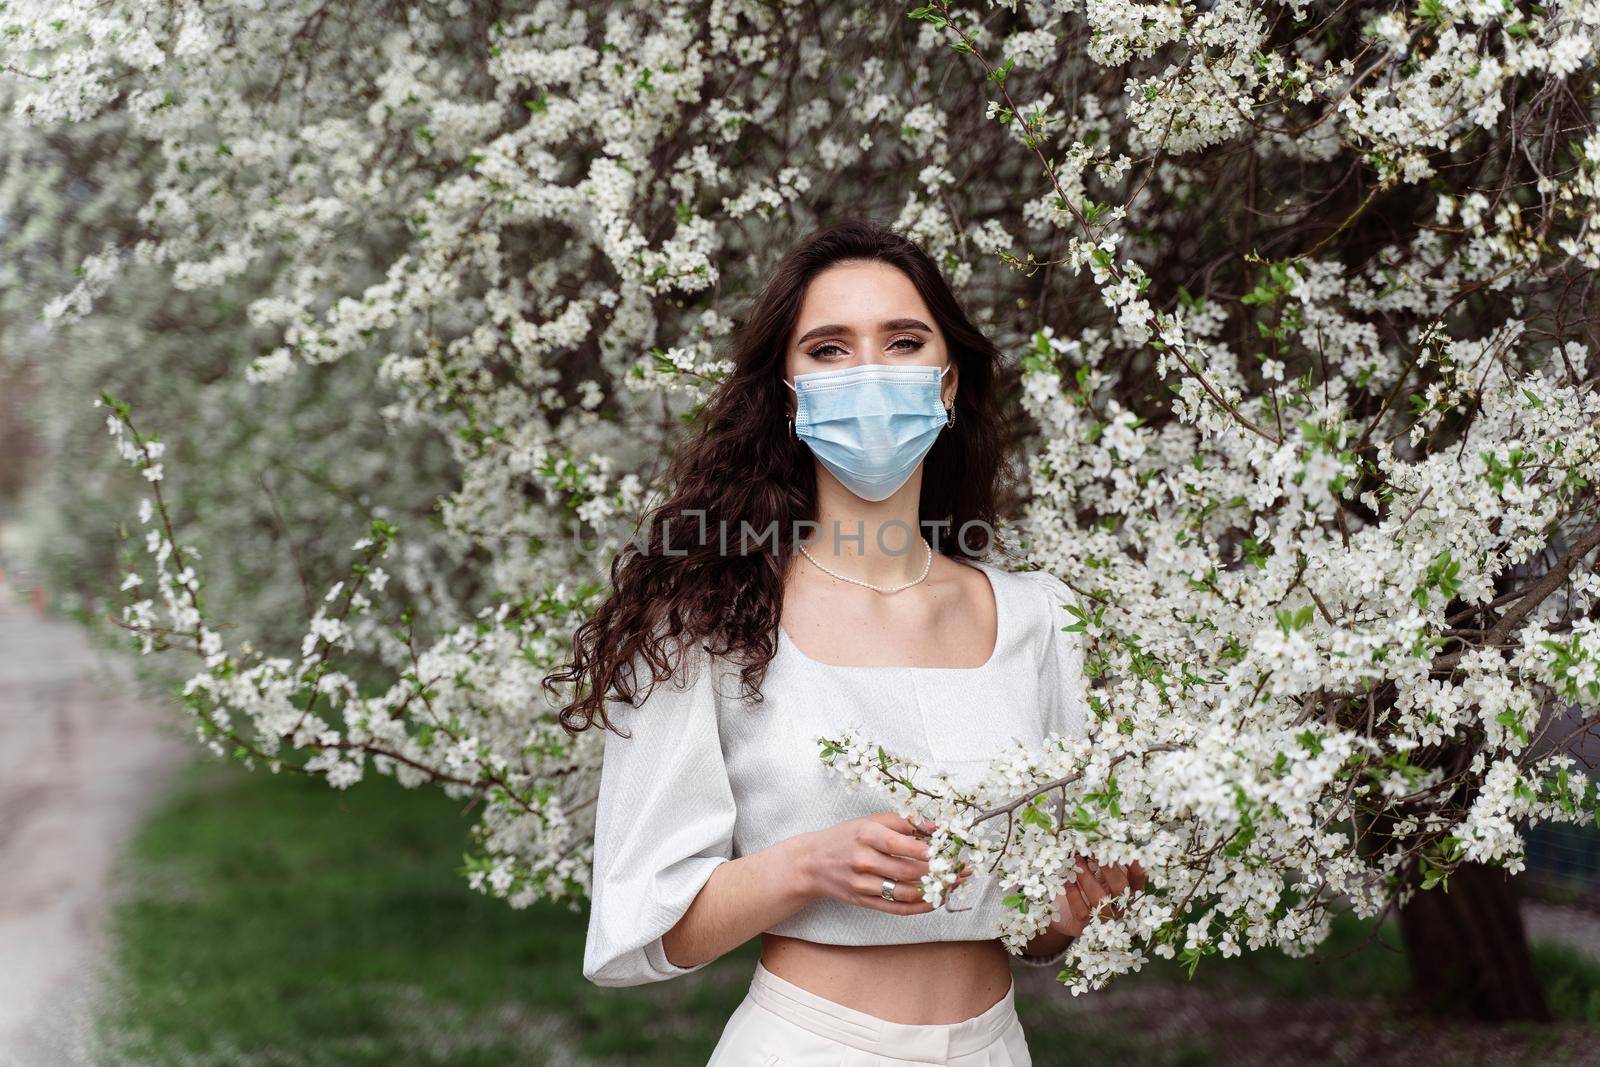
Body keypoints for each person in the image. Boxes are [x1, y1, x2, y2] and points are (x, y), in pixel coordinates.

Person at [547, 218, 1145, 1064]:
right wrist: (809, 866)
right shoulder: (710, 622)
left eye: (902, 340)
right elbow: (646, 924)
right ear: (789, 395)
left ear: (946, 384)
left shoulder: (1042, 619)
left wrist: (1069, 917)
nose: (869, 372)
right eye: (830, 349)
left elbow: (1034, 925)